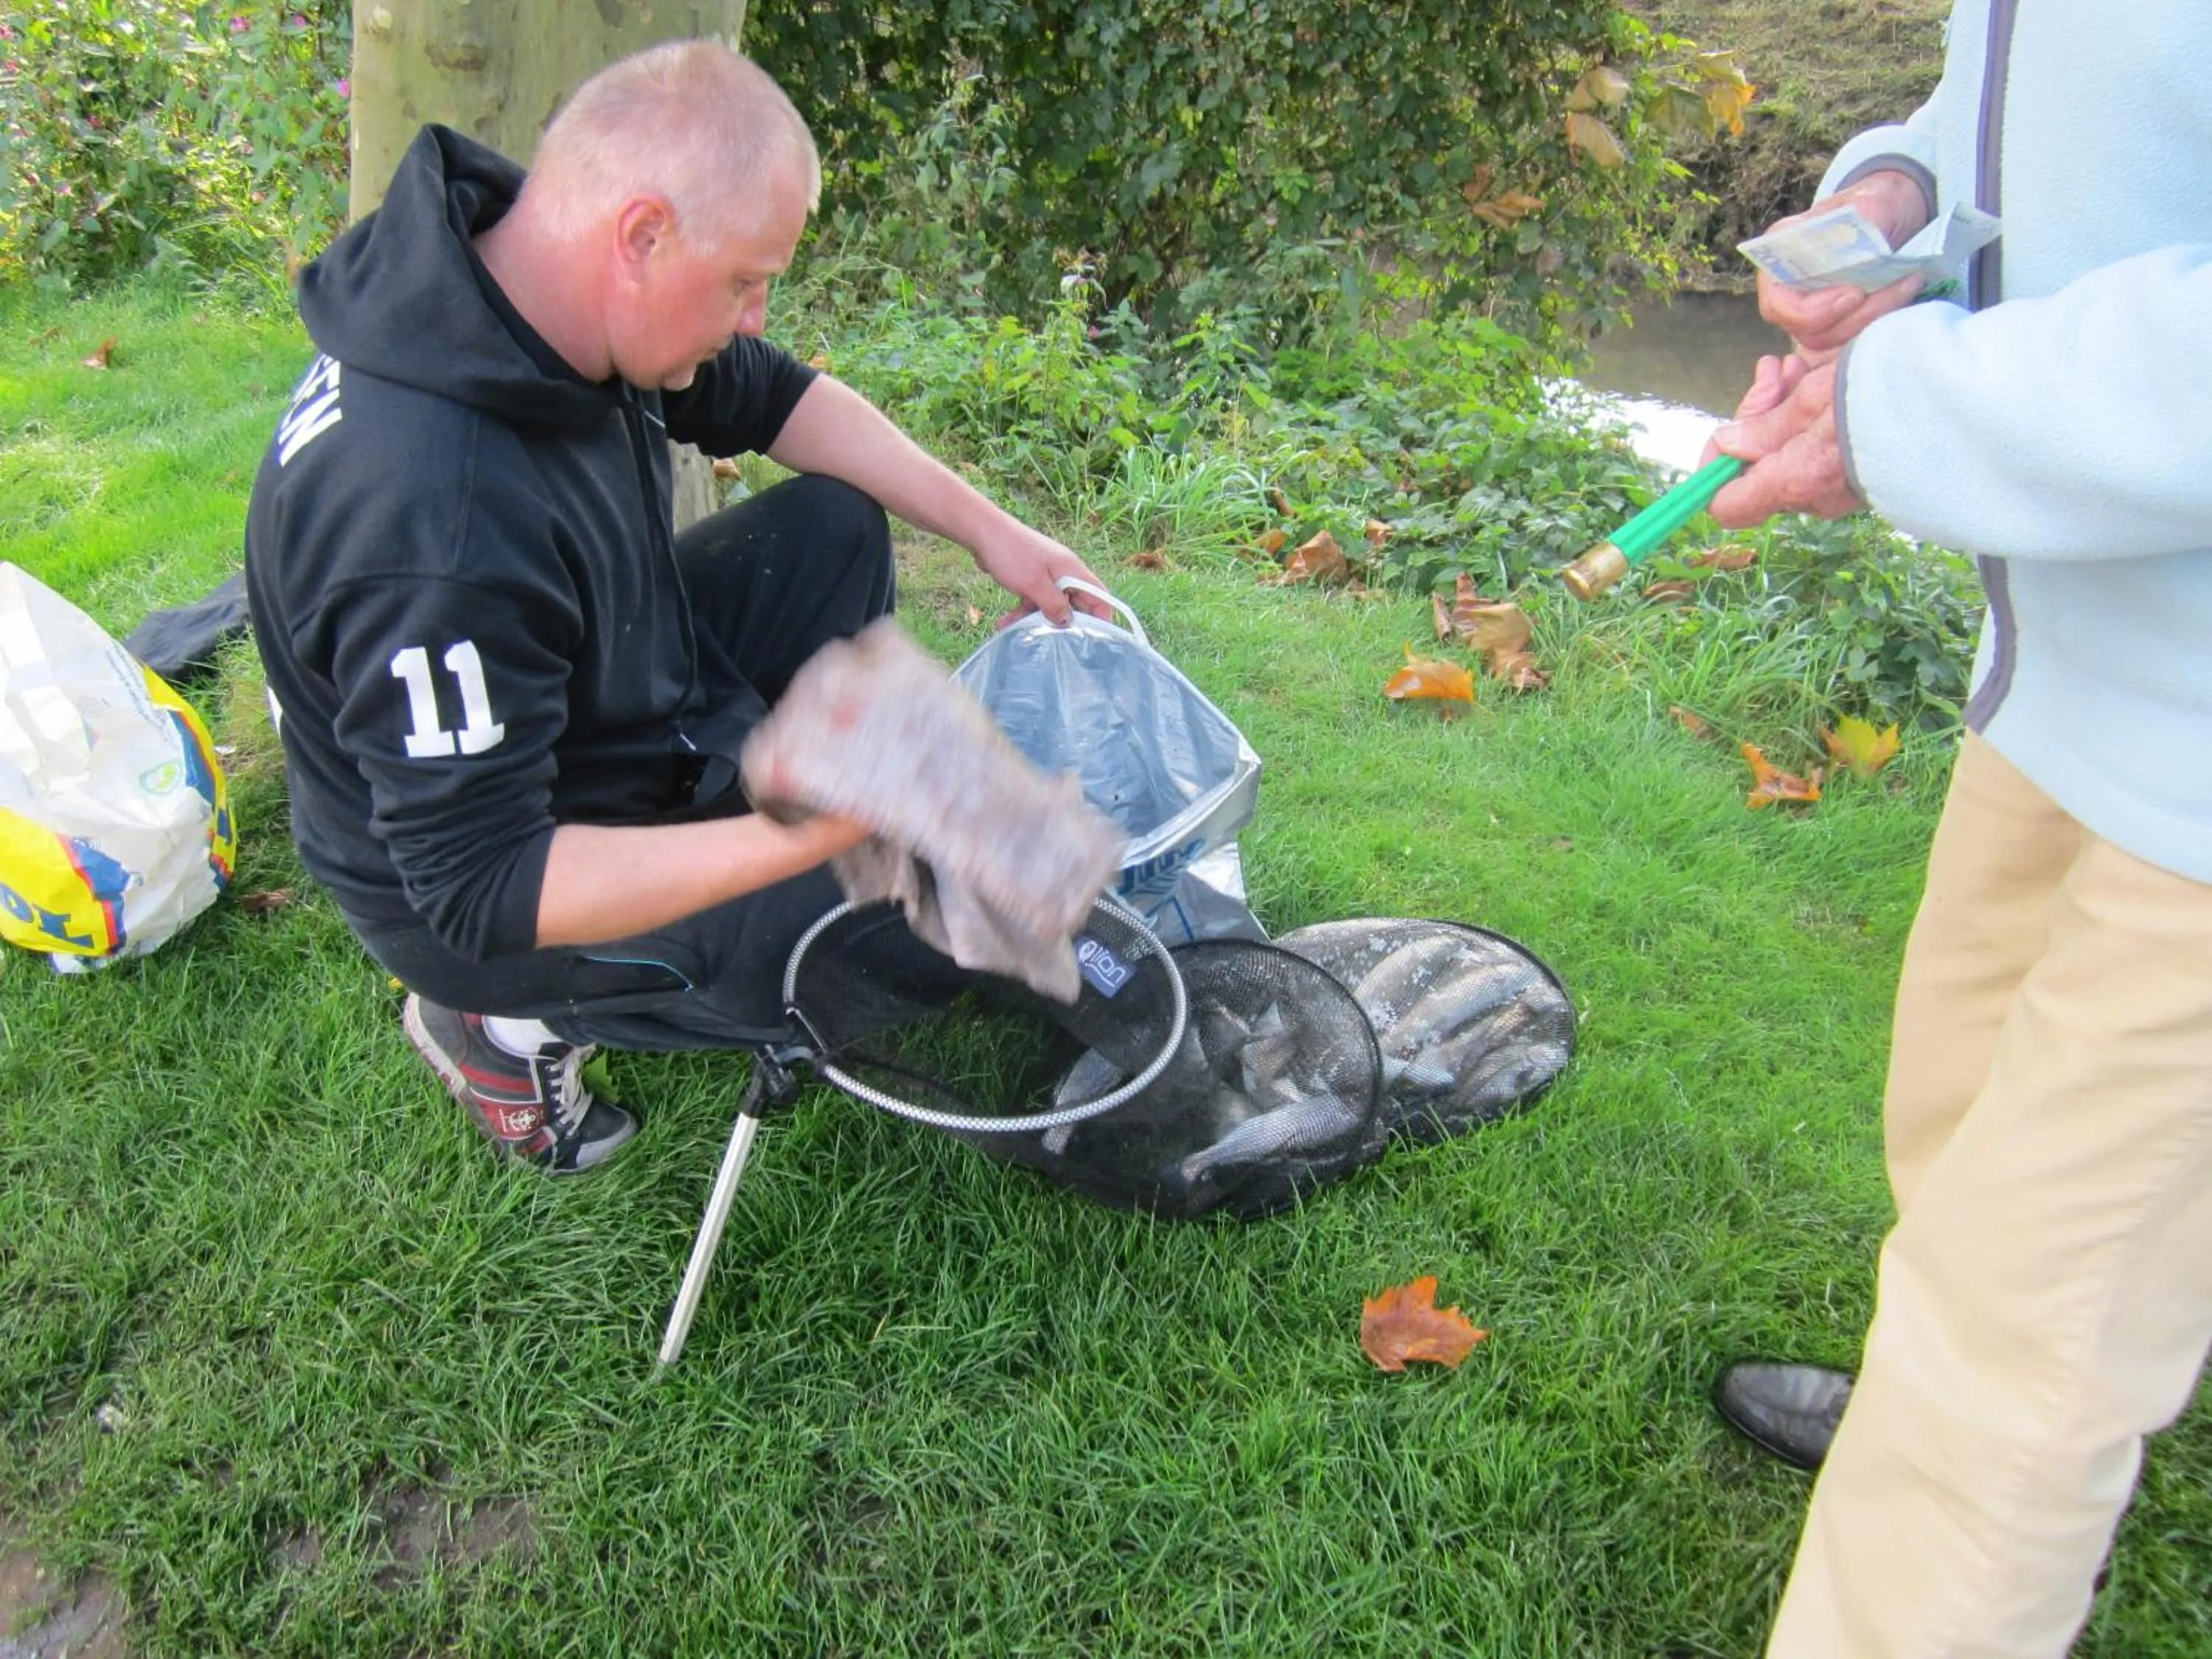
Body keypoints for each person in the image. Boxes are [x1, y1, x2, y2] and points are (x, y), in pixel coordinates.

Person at [244, 42, 1110, 1177]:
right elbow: (477, 885)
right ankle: (500, 1031)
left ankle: (751, 796)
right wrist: (827, 830)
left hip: (589, 695)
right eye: (746, 281)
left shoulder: (533, 274)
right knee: (904, 920)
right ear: (643, 232)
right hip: (485, 879)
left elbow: (778, 394)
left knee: (836, 525)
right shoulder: (432, 524)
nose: (755, 317)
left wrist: (1000, 534)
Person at [1694, 5, 2212, 1653]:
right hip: (2065, 676)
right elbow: (2048, 95)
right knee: (1955, 1131)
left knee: (2028, 1337)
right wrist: (1903, 201)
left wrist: (1902, 412)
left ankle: (1958, 1499)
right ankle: (1929, 1425)